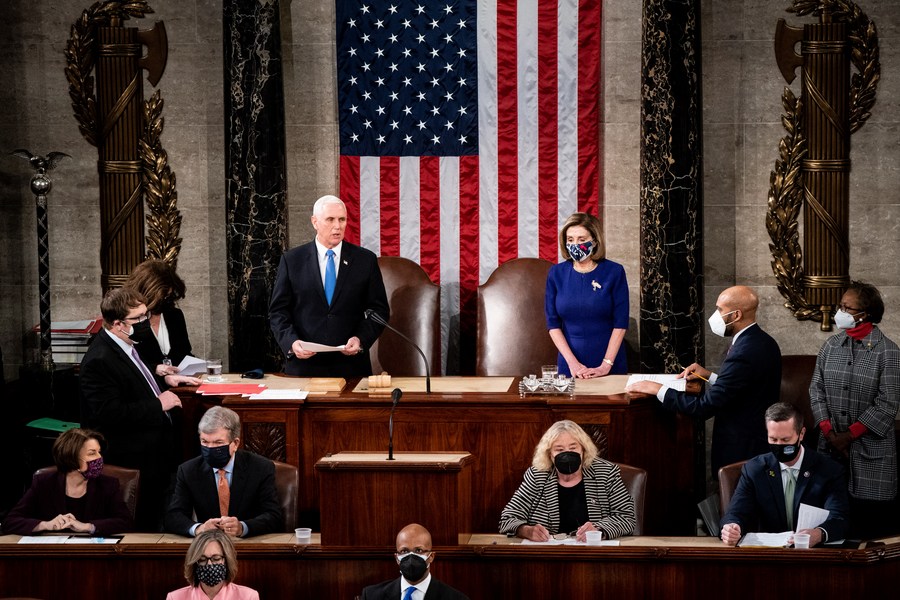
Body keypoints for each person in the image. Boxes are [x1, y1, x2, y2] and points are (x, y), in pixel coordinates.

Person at [626, 285, 782, 477]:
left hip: (742, 449)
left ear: (736, 315)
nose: (715, 315)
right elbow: (744, 387)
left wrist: (659, 389)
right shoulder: (763, 341)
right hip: (756, 440)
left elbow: (703, 407)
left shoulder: (744, 351)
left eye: (720, 309)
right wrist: (709, 376)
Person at [80, 287, 202, 531]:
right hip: (135, 459)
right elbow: (109, 413)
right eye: (138, 318)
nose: (145, 321)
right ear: (118, 324)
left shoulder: (127, 343)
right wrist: (159, 403)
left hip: (157, 455)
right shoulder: (98, 359)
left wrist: (163, 379)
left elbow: (135, 379)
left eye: (145, 314)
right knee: (146, 526)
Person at [810, 281, 900, 539]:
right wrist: (829, 433)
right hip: (829, 449)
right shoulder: (831, 346)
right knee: (829, 524)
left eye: (847, 308)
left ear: (865, 314)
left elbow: (888, 403)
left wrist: (848, 436)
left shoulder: (888, 352)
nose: (840, 313)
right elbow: (816, 390)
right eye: (841, 306)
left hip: (871, 454)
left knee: (870, 531)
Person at [269, 194, 390, 377]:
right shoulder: (292, 260)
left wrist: (360, 339)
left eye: (342, 219)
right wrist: (291, 343)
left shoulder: (365, 260)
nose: (337, 226)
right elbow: (278, 311)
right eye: (330, 219)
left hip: (351, 368)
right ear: (315, 222)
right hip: (304, 367)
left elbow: (379, 310)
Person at [720, 402, 849, 547]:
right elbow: (735, 513)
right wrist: (731, 527)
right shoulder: (754, 470)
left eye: (785, 440)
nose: (779, 445)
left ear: (801, 434)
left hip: (812, 552)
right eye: (773, 439)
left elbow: (839, 518)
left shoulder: (829, 470)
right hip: (769, 552)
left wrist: (819, 534)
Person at [499, 420, 635, 541]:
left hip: (593, 551)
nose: (567, 454)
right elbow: (508, 519)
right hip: (548, 553)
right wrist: (526, 531)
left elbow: (627, 518)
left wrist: (599, 530)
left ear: (583, 449)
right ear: (549, 454)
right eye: (559, 449)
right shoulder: (537, 475)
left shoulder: (605, 473)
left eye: (573, 448)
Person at [165, 406, 282, 538]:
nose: (210, 448)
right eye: (205, 442)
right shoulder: (189, 471)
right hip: (208, 544)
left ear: (235, 443)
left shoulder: (260, 468)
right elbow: (173, 516)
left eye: (218, 442)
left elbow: (273, 516)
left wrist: (242, 527)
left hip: (248, 543)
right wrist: (199, 528)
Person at [1, 428, 132, 536]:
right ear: (72, 457)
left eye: (99, 452)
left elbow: (126, 522)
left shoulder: (108, 484)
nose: (99, 458)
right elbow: (10, 521)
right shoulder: (44, 483)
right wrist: (46, 525)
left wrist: (88, 526)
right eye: (92, 453)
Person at [545, 212, 629, 378]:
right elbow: (552, 324)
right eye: (570, 240)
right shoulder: (556, 273)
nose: (575, 245)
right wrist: (572, 363)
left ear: (595, 241)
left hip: (609, 364)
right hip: (570, 365)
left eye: (581, 239)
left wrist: (605, 365)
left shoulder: (614, 272)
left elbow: (620, 323)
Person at [360, 523, 469, 600]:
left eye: (419, 550)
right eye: (404, 551)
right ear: (397, 558)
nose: (411, 557)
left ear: (431, 556)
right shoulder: (371, 596)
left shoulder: (456, 598)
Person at [125, 258, 193, 376]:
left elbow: (184, 354)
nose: (165, 299)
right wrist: (155, 369)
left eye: (167, 295)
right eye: (162, 296)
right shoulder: (127, 320)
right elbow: (123, 364)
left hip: (179, 383)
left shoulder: (174, 315)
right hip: (146, 385)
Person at [166, 529, 259, 600]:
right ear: (194, 563)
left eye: (216, 558)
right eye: (202, 559)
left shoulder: (249, 597)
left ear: (227, 560)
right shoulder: (174, 598)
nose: (209, 564)